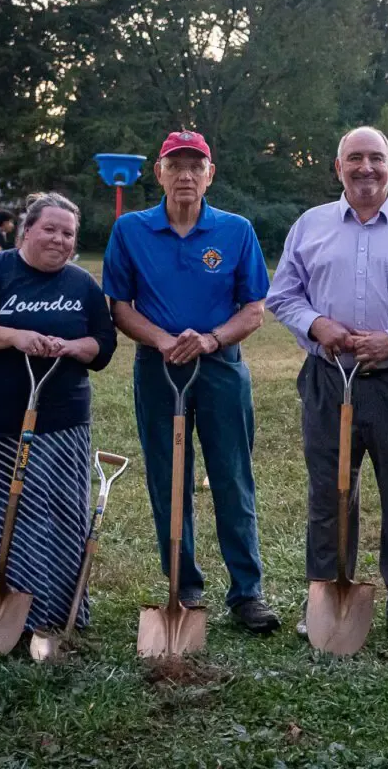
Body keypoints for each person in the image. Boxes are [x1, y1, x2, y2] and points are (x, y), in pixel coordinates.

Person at [266, 126, 388, 643]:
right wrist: (316, 325)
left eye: (376, 158)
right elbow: (283, 295)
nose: (365, 167)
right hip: (328, 379)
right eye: (354, 159)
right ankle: (326, 593)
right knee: (330, 495)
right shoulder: (311, 225)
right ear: (337, 166)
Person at [102, 130, 280, 633]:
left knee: (232, 475)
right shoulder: (131, 230)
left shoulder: (236, 230)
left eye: (194, 166)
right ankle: (182, 584)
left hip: (220, 366)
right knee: (167, 476)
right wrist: (161, 339)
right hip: (158, 368)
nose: (185, 175)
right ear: (158, 172)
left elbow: (254, 309)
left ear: (209, 175)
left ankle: (247, 592)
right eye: (174, 165)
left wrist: (210, 339)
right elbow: (118, 306)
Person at [0, 192, 117, 633]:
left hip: (63, 422)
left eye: (68, 233)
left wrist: (78, 347)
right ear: (27, 230)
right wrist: (14, 336)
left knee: (60, 514)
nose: (59, 239)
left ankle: (57, 612)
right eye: (50, 229)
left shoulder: (81, 285)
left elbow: (104, 344)